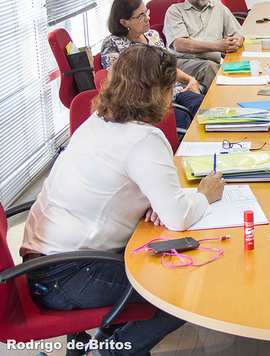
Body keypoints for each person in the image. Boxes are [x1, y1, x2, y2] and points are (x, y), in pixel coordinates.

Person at [21, 44, 225, 356]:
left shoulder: (98, 120)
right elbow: (179, 218)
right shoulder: (144, 138)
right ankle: (104, 353)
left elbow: (114, 186)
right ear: (160, 92)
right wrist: (204, 195)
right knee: (183, 293)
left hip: (42, 264)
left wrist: (153, 201)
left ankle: (101, 344)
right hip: (69, 274)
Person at [101, 0, 204, 130]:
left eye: (146, 12)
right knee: (182, 119)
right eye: (141, 15)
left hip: (174, 91)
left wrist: (190, 79)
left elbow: (168, 68)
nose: (148, 18)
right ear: (124, 22)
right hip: (148, 101)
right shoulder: (112, 43)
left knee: (204, 106)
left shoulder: (153, 35)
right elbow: (118, 82)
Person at [164, 0, 244, 92]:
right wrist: (216, 46)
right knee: (210, 68)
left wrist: (236, 42)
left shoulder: (218, 7)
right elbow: (179, 44)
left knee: (242, 67)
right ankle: (223, 101)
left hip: (213, 62)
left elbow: (238, 34)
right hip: (184, 63)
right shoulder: (175, 11)